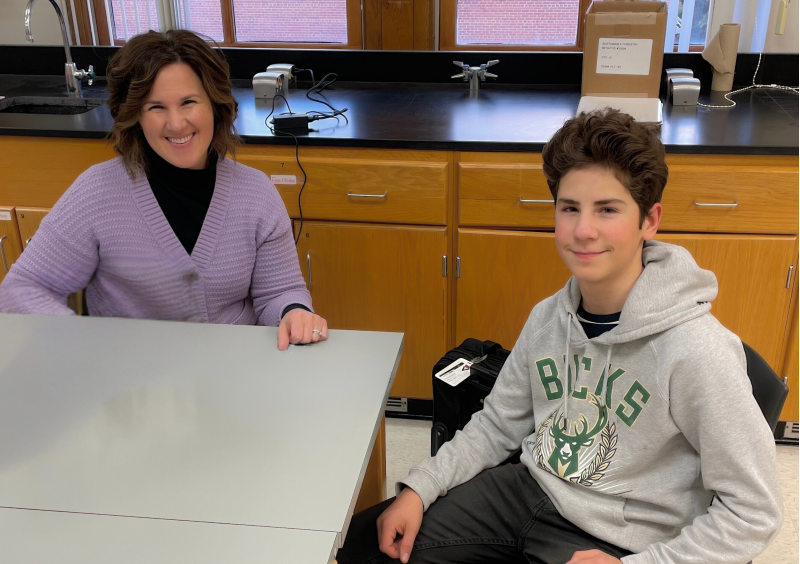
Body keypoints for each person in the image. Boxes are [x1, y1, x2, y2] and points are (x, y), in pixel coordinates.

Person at [337, 109, 782, 564]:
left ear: (650, 220)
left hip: (623, 536)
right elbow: (497, 425)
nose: (583, 231)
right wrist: (420, 487)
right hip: (527, 491)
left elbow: (752, 511)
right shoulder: (549, 316)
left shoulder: (698, 350)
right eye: (570, 208)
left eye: (607, 210)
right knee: (367, 543)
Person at [0, 30, 326, 350]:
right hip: (129, 387)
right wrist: (85, 345)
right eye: (156, 107)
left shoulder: (257, 194)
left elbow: (279, 292)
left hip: (231, 375)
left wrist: (293, 312)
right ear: (134, 116)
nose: (176, 124)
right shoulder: (96, 193)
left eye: (188, 102)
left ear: (215, 104)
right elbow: (23, 288)